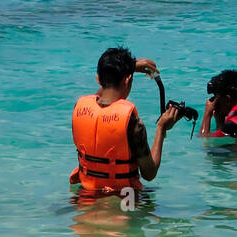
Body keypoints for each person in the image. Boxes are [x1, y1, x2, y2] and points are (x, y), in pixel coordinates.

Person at [70, 47, 182, 196]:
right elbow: (149, 173)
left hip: (85, 196)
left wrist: (129, 69)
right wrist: (161, 128)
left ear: (98, 79)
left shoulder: (80, 108)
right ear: (128, 79)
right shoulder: (133, 124)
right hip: (124, 202)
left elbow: (100, 98)